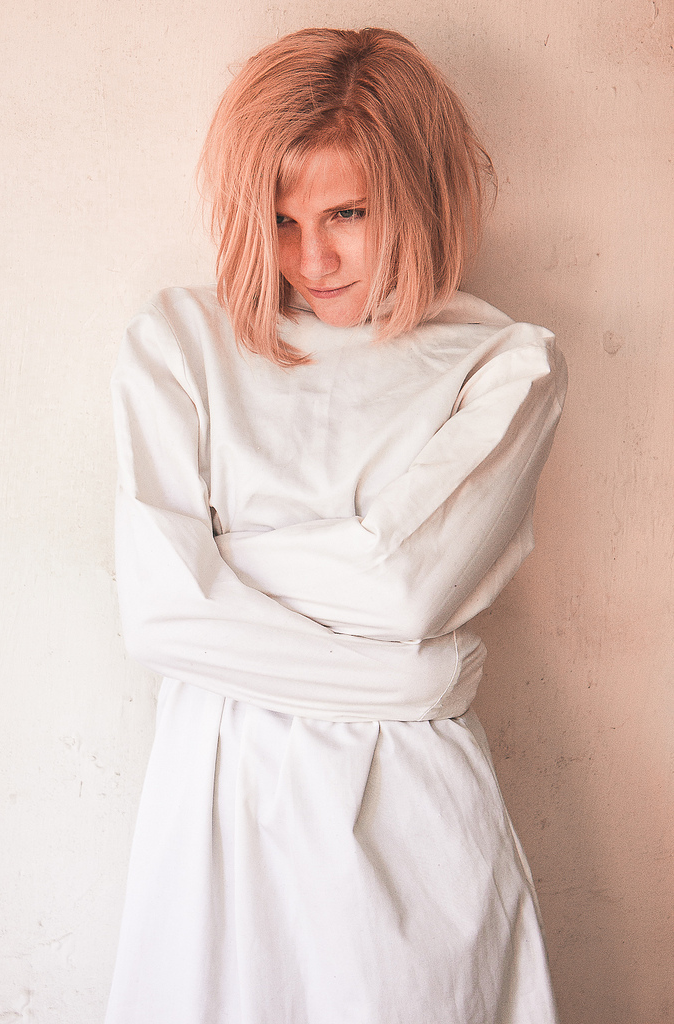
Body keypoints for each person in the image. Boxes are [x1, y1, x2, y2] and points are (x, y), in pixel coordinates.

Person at [105, 27, 567, 1024]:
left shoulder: (503, 365)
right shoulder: (178, 345)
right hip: (214, 827)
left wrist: (224, 561)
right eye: (279, 219)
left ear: (417, 192)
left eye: (346, 213)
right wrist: (408, 680)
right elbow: (158, 615)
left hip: (409, 840)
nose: (310, 258)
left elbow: (404, 591)